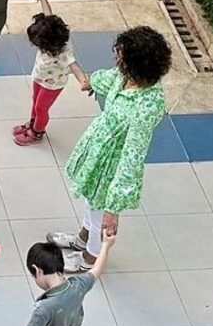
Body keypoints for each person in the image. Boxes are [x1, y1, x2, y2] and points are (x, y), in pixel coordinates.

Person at [48, 26, 171, 271]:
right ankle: (82, 239)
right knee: (90, 202)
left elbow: (132, 157)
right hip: (97, 149)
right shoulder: (123, 76)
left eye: (121, 57)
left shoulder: (149, 105)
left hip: (111, 166)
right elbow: (103, 79)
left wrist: (113, 207)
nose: (116, 59)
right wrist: (88, 81)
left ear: (137, 65)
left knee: (99, 214)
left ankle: (90, 259)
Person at [14, 0, 91, 145]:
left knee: (41, 107)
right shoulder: (51, 29)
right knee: (35, 101)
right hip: (39, 77)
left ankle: (37, 132)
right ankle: (32, 123)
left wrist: (84, 81)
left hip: (53, 84)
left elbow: (75, 67)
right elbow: (48, 13)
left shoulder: (63, 52)